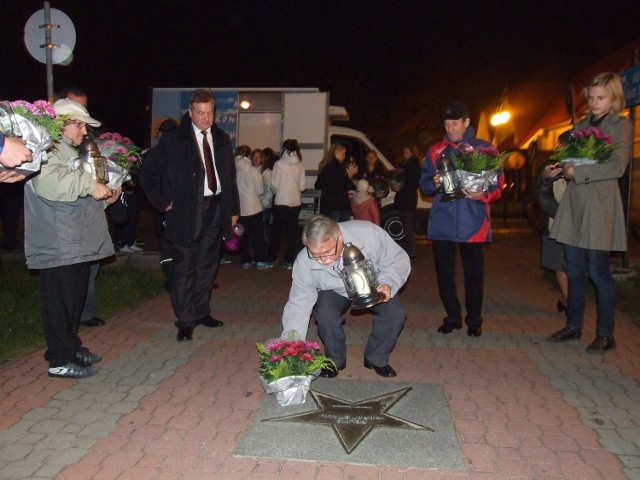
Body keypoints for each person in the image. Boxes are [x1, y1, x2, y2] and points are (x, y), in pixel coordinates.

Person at [23, 99, 120, 378]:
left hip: (73, 242)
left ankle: (70, 346)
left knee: (73, 300)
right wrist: (92, 185)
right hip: (58, 242)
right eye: (78, 124)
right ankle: (59, 359)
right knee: (60, 303)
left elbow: (78, 195)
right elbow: (51, 184)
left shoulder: (68, 151)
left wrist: (104, 195)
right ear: (62, 124)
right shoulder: (49, 149)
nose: (83, 131)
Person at [141, 89, 240, 342]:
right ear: (190, 111)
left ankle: (201, 312)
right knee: (184, 268)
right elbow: (148, 173)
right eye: (201, 113)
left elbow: (229, 178)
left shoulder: (220, 137)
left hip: (216, 209)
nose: (206, 118)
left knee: (207, 266)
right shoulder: (174, 139)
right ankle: (185, 321)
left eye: (210, 113)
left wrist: (233, 210)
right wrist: (163, 202)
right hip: (186, 213)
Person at [547, 72, 632, 353]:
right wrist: (556, 169)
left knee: (598, 272)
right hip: (574, 207)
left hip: (599, 206)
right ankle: (574, 326)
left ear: (614, 97)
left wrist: (577, 171)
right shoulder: (580, 124)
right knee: (573, 270)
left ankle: (606, 334)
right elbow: (569, 161)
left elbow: (616, 166)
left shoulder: (621, 125)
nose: (594, 103)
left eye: (601, 98)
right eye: (591, 98)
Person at [281, 215, 409, 378]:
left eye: (328, 252)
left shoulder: (368, 233)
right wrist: (292, 344)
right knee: (325, 316)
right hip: (334, 289)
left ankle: (376, 358)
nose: (323, 261)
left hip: (373, 283)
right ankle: (335, 360)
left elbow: (398, 260)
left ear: (339, 236)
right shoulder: (304, 261)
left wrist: (388, 283)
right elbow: (299, 304)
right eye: (316, 255)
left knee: (395, 315)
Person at [419, 102, 504, 337]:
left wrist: (483, 195)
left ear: (467, 122)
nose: (451, 128)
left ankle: (474, 320)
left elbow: (497, 185)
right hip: (442, 220)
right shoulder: (436, 150)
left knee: (473, 274)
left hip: (472, 221)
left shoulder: (485, 149)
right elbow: (423, 183)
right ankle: (453, 317)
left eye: (455, 123)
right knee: (444, 273)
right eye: (447, 124)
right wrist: (433, 183)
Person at [535, 159, 568, 313]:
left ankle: (566, 300)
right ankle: (570, 302)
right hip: (555, 224)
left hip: (580, 225)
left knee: (574, 267)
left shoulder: (586, 166)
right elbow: (542, 194)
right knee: (559, 265)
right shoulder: (552, 167)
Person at [268, 139, 306, 269]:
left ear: (284, 148)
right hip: (295, 204)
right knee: (292, 234)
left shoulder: (279, 164)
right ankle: (289, 261)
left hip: (281, 203)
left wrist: (277, 192)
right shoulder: (300, 165)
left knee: (276, 233)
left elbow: (274, 185)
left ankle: (272, 257)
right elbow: (302, 187)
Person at [235, 144, 271, 269]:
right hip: (254, 208)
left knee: (243, 236)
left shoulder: (233, 170)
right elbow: (260, 190)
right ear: (249, 156)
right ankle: (260, 260)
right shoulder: (253, 170)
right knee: (258, 236)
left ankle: (246, 261)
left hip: (240, 208)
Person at [315, 143, 357, 222]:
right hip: (338, 206)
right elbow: (340, 186)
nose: (344, 157)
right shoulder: (338, 167)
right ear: (336, 152)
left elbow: (317, 185)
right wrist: (349, 176)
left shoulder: (325, 166)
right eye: (343, 154)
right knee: (340, 230)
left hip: (328, 204)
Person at [394, 145, 421, 259]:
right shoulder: (405, 164)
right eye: (404, 152)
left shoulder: (414, 165)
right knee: (405, 225)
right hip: (403, 199)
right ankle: (408, 249)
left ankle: (411, 251)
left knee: (408, 226)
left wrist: (402, 185)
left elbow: (413, 182)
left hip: (408, 199)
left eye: (407, 153)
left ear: (412, 153)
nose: (404, 155)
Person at [260, 147, 278, 244]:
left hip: (265, 204)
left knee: (264, 229)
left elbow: (268, 191)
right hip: (269, 204)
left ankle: (266, 250)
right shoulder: (272, 171)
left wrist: (263, 204)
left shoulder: (267, 172)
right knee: (266, 228)